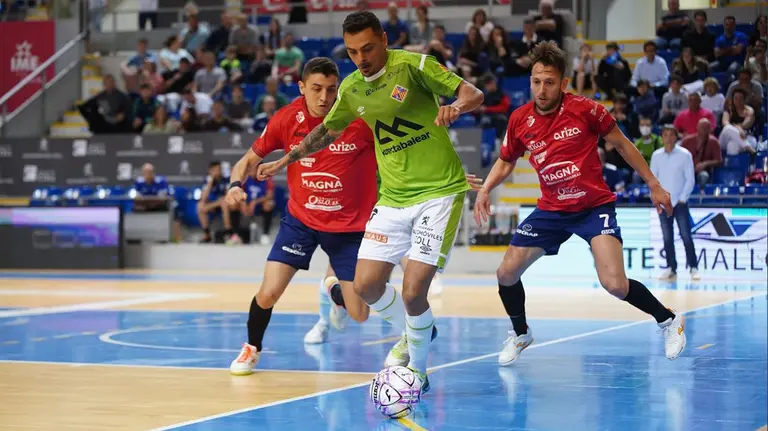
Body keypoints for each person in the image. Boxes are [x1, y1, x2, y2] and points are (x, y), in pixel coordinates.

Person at [256, 11, 484, 393]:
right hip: (393, 197)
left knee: (413, 291)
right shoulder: (351, 89)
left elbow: (472, 93)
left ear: (383, 39)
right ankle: (414, 332)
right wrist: (286, 159)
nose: (361, 59)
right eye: (352, 52)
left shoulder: (413, 66)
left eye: (367, 48)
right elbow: (326, 132)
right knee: (364, 286)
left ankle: (418, 374)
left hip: (437, 192)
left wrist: (455, 107)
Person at [473, 41, 687, 368]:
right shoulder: (519, 119)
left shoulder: (586, 109)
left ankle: (669, 320)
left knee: (615, 284)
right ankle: (521, 333)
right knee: (506, 273)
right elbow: (506, 160)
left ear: (563, 83)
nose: (541, 90)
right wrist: (486, 188)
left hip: (593, 208)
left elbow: (623, 145)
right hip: (551, 210)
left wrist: (654, 184)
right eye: (536, 81)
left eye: (549, 82)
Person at [650, 125, 700, 281]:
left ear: (676, 137)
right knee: (667, 237)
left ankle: (693, 267)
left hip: (680, 203)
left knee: (686, 236)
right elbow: (653, 180)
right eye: (665, 134)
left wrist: (682, 199)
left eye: (671, 134)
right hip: (663, 204)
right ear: (661, 137)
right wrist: (657, 199)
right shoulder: (656, 156)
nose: (668, 138)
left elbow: (690, 179)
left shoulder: (685, 155)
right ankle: (671, 268)